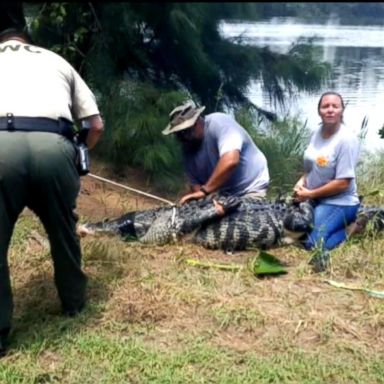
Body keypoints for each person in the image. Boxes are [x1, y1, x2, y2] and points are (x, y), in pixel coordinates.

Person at [0, 3, 104, 357]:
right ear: (27, 38)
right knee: (62, 229)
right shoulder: (56, 61)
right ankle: (74, 303)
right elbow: (95, 125)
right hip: (53, 146)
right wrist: (77, 155)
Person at [293, 91, 360, 272]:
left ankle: (351, 229)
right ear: (319, 111)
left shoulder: (347, 140)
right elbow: (310, 166)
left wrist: (310, 194)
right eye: (325, 106)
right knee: (294, 233)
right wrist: (301, 182)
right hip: (314, 198)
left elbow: (343, 182)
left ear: (341, 110)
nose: (330, 110)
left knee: (313, 243)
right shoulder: (315, 132)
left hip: (340, 202)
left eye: (335, 106)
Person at [162, 101, 270, 205]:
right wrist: (202, 197)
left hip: (250, 186)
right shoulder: (187, 152)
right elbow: (196, 186)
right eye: (179, 134)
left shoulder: (219, 123)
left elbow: (231, 161)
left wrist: (205, 191)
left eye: (186, 131)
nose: (183, 137)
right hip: (224, 194)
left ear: (198, 122)